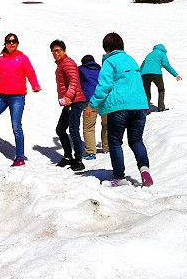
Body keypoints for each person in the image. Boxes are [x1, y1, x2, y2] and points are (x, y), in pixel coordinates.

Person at [86, 33, 153, 187]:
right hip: (140, 106)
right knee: (136, 140)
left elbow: (105, 85)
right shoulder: (131, 60)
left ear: (107, 48)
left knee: (115, 142)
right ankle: (144, 170)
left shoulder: (110, 62)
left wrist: (92, 104)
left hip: (120, 107)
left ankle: (119, 177)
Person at [0, 33, 41, 166]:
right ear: (5, 44)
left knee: (16, 126)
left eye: (14, 41)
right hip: (0, 95)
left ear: (17, 43)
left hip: (17, 96)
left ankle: (20, 157)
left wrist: (34, 85)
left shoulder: (23, 58)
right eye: (8, 41)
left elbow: (30, 73)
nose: (11, 43)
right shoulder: (1, 59)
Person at [50, 40, 86, 171]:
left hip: (74, 100)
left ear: (64, 51)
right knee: (60, 129)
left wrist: (68, 96)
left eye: (58, 50)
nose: (56, 53)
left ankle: (78, 160)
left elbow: (74, 81)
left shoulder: (68, 63)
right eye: (54, 51)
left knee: (73, 130)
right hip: (68, 101)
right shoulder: (61, 65)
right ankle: (68, 156)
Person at [78, 54, 108, 160]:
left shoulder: (80, 70)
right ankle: (106, 147)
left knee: (89, 127)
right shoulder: (100, 69)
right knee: (106, 124)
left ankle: (91, 152)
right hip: (103, 99)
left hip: (89, 101)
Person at [140, 44, 182, 113]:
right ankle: (161, 107)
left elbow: (143, 65)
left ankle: (147, 110)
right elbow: (166, 65)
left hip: (145, 75)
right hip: (156, 74)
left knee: (147, 92)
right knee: (161, 89)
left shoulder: (149, 54)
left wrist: (139, 75)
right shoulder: (162, 54)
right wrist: (176, 75)